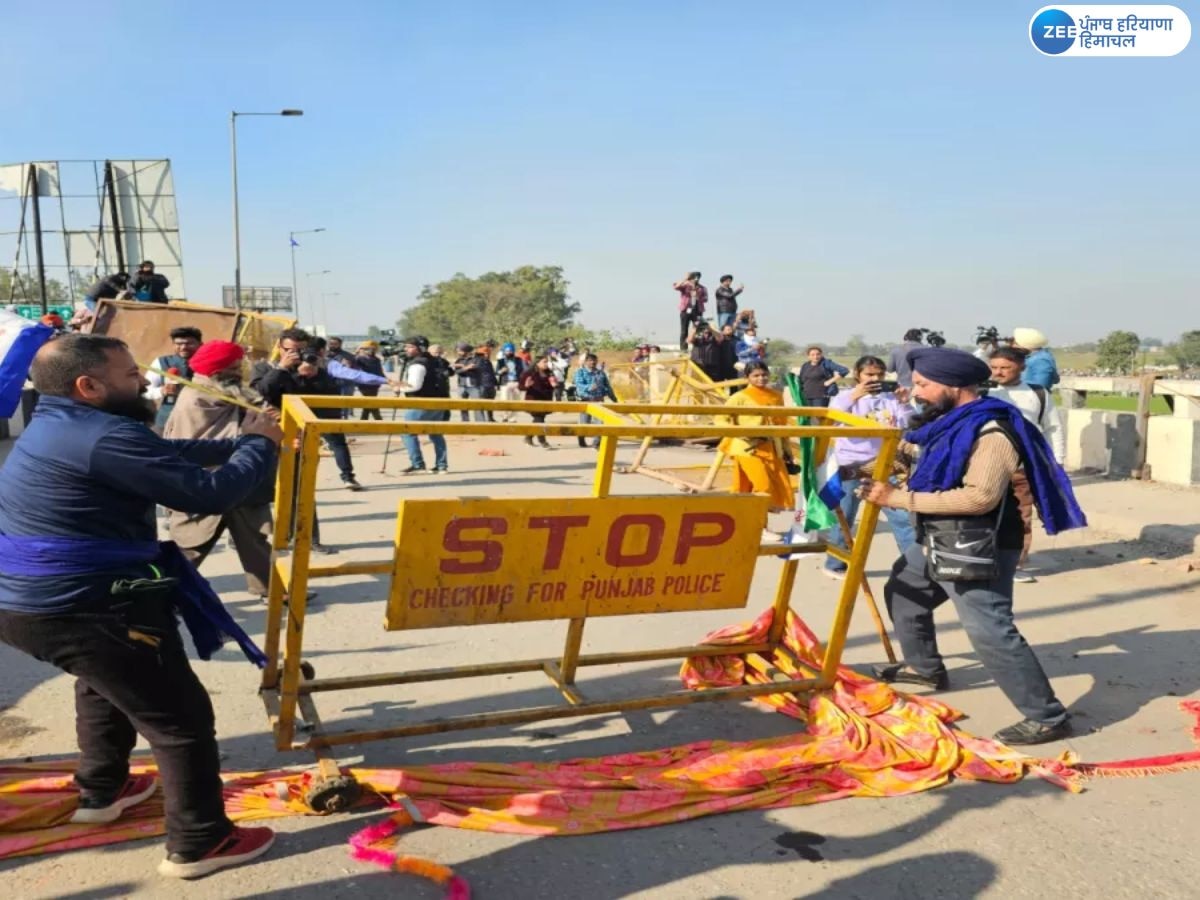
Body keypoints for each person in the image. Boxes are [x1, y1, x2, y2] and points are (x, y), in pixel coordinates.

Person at [0, 333, 281, 877]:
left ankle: (102, 791)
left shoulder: (61, 423)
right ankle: (200, 842)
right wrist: (259, 446)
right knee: (180, 721)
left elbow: (163, 455)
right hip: (86, 606)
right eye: (131, 374)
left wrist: (240, 440)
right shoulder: (102, 436)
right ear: (89, 385)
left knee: (102, 683)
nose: (146, 380)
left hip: (32, 605)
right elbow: (208, 496)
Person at [858, 347, 1086, 745]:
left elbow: (978, 498)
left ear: (954, 386)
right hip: (941, 535)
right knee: (905, 591)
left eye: (925, 384)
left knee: (990, 630)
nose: (917, 391)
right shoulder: (950, 422)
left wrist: (897, 499)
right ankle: (924, 667)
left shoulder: (990, 432)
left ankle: (1047, 716)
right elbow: (930, 460)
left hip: (980, 544)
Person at [164, 341, 275, 600]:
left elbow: (252, 405)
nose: (239, 371)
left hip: (241, 478)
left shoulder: (229, 390)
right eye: (233, 367)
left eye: (239, 365)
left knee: (255, 540)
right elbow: (214, 440)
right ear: (216, 370)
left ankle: (271, 589)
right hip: (209, 481)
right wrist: (254, 427)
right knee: (190, 545)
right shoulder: (198, 396)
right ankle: (163, 595)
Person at [250, 329, 350, 551]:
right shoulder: (264, 367)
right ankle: (252, 536)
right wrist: (283, 369)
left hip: (298, 438)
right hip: (265, 437)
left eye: (301, 350)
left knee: (302, 488)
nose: (296, 355)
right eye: (290, 350)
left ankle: (308, 539)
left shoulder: (315, 369)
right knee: (258, 488)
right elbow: (261, 392)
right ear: (279, 347)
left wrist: (312, 377)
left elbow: (331, 404)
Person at [821, 356, 917, 580]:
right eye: (869, 375)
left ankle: (916, 567)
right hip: (851, 466)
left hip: (885, 466)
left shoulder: (890, 398)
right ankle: (836, 563)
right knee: (845, 517)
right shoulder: (844, 397)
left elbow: (909, 424)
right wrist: (854, 396)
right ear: (858, 375)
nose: (875, 379)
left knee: (902, 517)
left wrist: (903, 403)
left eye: (880, 375)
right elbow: (830, 420)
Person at [988, 347, 1066, 584]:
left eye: (1005, 368)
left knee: (1021, 516)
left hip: (1022, 467)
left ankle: (1015, 564)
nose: (998, 373)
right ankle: (983, 561)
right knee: (984, 515)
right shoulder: (983, 392)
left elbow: (1054, 428)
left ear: (1021, 367)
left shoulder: (1038, 394)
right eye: (994, 368)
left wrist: (1057, 463)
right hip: (987, 466)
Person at [715, 362, 794, 540]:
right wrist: (741, 433)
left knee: (758, 488)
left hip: (771, 447)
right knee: (763, 486)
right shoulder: (739, 397)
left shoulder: (776, 396)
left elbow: (782, 423)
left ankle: (746, 524)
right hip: (746, 448)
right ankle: (761, 527)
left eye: (764, 375)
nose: (761, 378)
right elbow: (720, 418)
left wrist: (787, 449)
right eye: (756, 375)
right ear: (747, 378)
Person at [395, 336, 450, 473]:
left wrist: (399, 388)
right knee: (436, 434)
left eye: (410, 347)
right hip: (439, 402)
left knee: (408, 432)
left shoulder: (418, 364)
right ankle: (442, 466)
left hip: (421, 402)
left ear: (420, 348)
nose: (406, 349)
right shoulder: (434, 361)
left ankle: (418, 464)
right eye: (406, 346)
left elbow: (414, 386)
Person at [146, 326, 202, 432]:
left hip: (197, 423)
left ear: (200, 344)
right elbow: (146, 390)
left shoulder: (208, 364)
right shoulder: (162, 362)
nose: (183, 347)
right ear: (173, 345)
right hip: (165, 421)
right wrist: (162, 391)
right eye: (179, 344)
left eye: (189, 343)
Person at [573, 353, 617, 448]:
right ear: (585, 362)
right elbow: (578, 384)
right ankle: (581, 438)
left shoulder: (600, 373)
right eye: (590, 360)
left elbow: (607, 386)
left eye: (594, 360)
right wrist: (589, 387)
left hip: (599, 401)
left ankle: (596, 443)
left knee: (599, 423)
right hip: (585, 400)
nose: (592, 362)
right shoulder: (580, 372)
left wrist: (613, 398)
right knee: (585, 423)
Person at [519, 355, 556, 449]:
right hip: (534, 400)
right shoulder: (529, 373)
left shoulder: (549, 373)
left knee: (538, 420)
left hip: (546, 400)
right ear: (537, 363)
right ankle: (543, 441)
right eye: (544, 362)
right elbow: (521, 387)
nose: (546, 364)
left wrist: (554, 384)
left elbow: (552, 385)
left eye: (547, 362)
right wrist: (526, 385)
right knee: (539, 420)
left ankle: (528, 437)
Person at [453, 341, 487, 422]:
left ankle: (480, 424)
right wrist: (466, 368)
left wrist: (463, 368)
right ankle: (465, 423)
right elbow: (456, 372)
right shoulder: (459, 360)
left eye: (459, 350)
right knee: (462, 406)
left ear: (465, 350)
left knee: (477, 406)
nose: (458, 352)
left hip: (474, 386)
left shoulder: (478, 359)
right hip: (462, 385)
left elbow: (478, 368)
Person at [674, 271, 707, 350]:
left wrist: (698, 297)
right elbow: (676, 287)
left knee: (698, 330)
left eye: (698, 277)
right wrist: (685, 279)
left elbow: (706, 299)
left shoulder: (702, 288)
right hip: (686, 310)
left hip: (697, 310)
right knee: (684, 330)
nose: (696, 279)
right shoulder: (685, 285)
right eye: (694, 277)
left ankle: (698, 348)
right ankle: (683, 349)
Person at [354, 341, 386, 421]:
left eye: (373, 349)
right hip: (364, 384)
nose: (371, 351)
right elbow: (352, 363)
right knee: (371, 402)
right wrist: (356, 353)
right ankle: (378, 420)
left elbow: (380, 371)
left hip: (375, 384)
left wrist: (386, 380)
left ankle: (363, 420)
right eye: (368, 349)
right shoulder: (359, 359)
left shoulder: (376, 360)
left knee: (368, 402)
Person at [495, 342, 525, 420]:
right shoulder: (501, 361)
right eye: (507, 351)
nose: (508, 352)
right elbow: (496, 372)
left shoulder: (519, 360)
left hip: (516, 382)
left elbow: (523, 371)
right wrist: (501, 371)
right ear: (504, 351)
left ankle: (512, 418)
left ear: (513, 351)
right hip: (505, 382)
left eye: (510, 351)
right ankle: (505, 416)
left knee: (515, 401)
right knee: (504, 400)